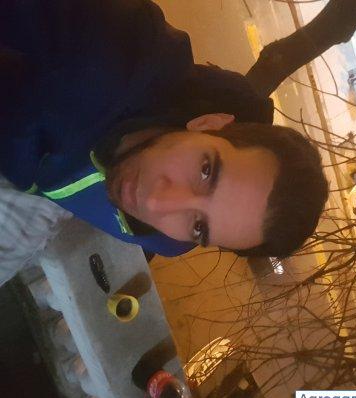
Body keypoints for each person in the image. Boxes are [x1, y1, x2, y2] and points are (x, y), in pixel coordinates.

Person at [0, 0, 328, 265]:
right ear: (209, 124)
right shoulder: (106, 41)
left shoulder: (169, 240)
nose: (156, 202)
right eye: (205, 171)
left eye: (199, 227)